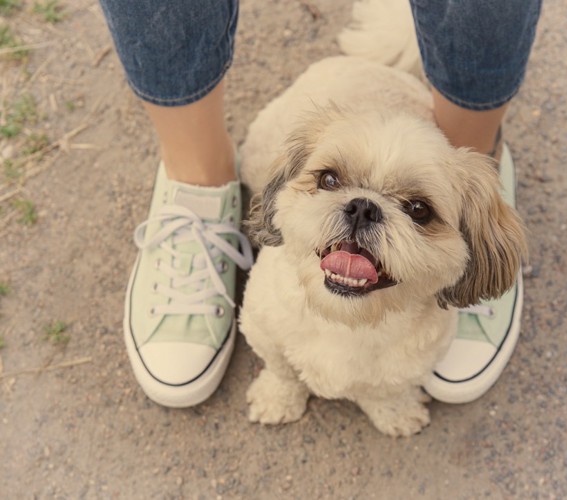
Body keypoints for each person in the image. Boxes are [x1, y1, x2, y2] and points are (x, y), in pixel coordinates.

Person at [98, 0, 542, 408]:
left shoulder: (432, 323)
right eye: (330, 180)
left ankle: (480, 144)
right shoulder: (271, 301)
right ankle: (199, 179)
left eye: (418, 210)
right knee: (257, 161)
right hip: (309, 124)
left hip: (413, 325)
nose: (361, 211)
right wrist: (283, 382)